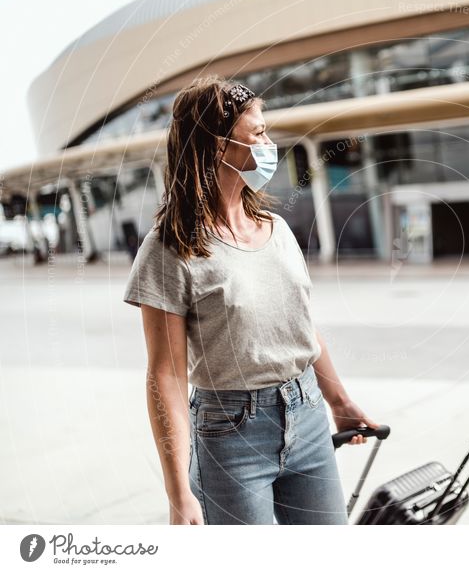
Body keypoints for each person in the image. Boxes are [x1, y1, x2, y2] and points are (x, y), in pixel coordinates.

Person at [122, 76, 379, 525]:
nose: (268, 142)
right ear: (218, 146)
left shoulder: (277, 230)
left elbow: (301, 327)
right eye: (257, 132)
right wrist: (178, 490)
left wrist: (339, 402)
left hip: (308, 413)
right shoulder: (170, 248)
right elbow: (165, 373)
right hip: (228, 433)